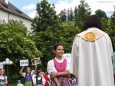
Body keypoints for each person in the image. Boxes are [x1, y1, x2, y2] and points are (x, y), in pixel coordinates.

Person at [70, 15, 114, 86]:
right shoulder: (105, 37)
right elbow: (110, 55)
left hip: (85, 77)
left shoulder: (79, 38)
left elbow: (74, 59)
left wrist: (76, 74)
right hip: (104, 78)